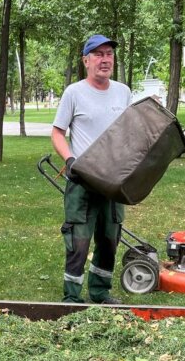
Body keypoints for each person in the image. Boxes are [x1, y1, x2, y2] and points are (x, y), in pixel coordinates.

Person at [51, 34, 132, 304]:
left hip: (113, 180)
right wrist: (70, 161)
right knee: (79, 240)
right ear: (86, 60)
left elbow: (129, 133)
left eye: (109, 53)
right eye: (98, 54)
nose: (105, 59)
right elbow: (58, 133)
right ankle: (72, 297)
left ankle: (100, 292)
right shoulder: (74, 93)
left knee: (110, 238)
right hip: (83, 180)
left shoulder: (123, 92)